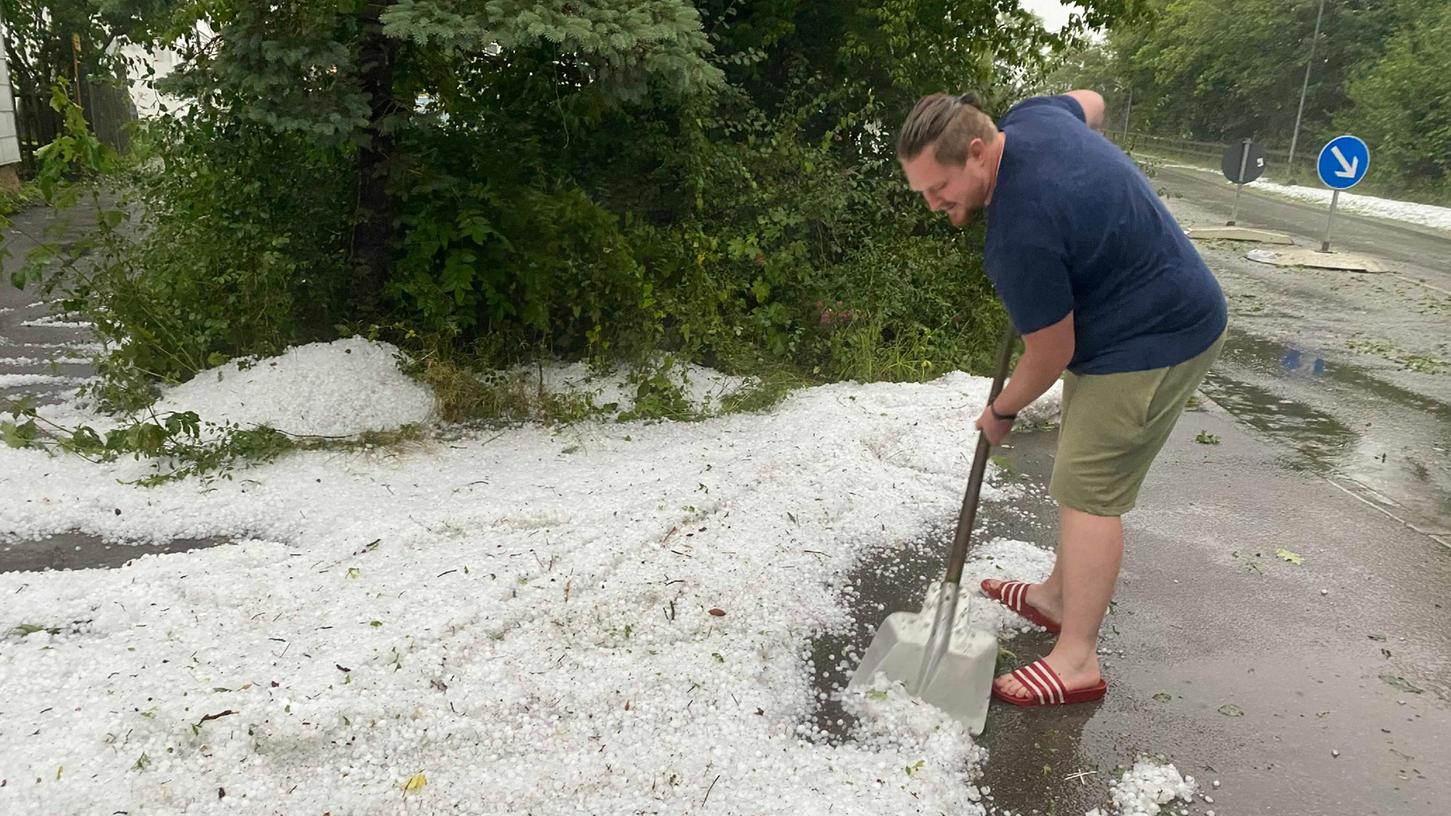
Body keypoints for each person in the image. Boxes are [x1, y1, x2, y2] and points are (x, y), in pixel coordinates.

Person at [895, 90, 1228, 707]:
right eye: (922, 192)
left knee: (1089, 492)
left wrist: (1000, 411)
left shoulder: (1020, 234)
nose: (934, 203)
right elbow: (1093, 102)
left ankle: (1077, 660)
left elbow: (1049, 354)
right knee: (1080, 469)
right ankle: (1055, 596)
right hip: (1131, 311)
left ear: (976, 150)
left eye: (938, 186)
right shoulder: (1032, 119)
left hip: (1156, 337)